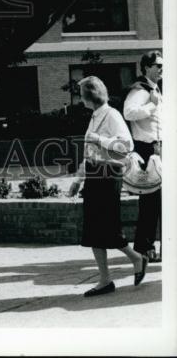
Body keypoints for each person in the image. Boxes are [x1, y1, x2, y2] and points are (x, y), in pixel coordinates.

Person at [69, 76, 146, 296]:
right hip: (94, 174)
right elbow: (89, 152)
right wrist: (78, 179)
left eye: (81, 93)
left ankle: (137, 258)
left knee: (109, 226)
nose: (79, 97)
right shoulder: (94, 116)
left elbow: (127, 144)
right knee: (93, 230)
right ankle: (105, 280)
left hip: (109, 174)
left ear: (88, 95)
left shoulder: (112, 115)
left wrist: (100, 140)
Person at [123, 51, 163, 262]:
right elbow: (128, 112)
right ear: (146, 67)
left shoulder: (155, 89)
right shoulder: (141, 90)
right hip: (147, 150)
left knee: (159, 201)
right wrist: (152, 105)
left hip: (158, 149)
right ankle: (143, 248)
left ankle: (150, 247)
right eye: (157, 65)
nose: (161, 69)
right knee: (150, 201)